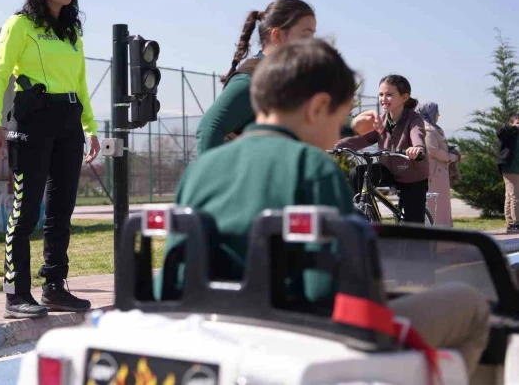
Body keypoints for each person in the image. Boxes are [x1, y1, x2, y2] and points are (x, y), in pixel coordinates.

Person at [161, 39, 489, 379]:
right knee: (470, 305)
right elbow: (337, 287)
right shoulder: (314, 169)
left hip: (222, 331)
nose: (337, 133)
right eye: (339, 119)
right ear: (318, 107)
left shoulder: (201, 170)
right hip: (306, 335)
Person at [0, 0, 100, 319]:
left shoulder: (72, 32)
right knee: (25, 211)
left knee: (61, 211)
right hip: (32, 120)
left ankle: (54, 287)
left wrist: (91, 126)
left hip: (68, 122)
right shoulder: (20, 24)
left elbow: (81, 82)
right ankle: (16, 294)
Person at [195, 0, 379, 155]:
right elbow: (210, 127)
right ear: (277, 36)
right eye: (306, 35)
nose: (311, 43)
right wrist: (212, 182)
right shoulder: (251, 80)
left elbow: (314, 121)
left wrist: (353, 125)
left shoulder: (292, 80)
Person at [337, 74, 431, 224]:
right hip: (388, 170)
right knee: (358, 173)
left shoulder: (414, 119)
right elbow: (363, 139)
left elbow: (417, 136)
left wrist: (417, 149)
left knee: (413, 224)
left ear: (404, 97)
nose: (383, 99)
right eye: (381, 94)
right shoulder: (380, 120)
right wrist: (336, 145)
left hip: (412, 175)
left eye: (389, 95)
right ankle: (363, 211)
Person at [417, 102, 460, 227]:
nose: (438, 115)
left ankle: (444, 228)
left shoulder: (433, 127)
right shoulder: (427, 129)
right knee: (435, 203)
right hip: (434, 173)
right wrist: (452, 157)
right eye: (436, 112)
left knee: (442, 203)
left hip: (439, 172)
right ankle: (437, 229)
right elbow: (433, 150)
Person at [497, 114, 519, 232]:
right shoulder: (509, 134)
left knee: (510, 196)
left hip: (516, 169)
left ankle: (510, 222)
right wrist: (514, 127)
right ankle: (516, 223)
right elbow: (500, 133)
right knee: (515, 196)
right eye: (517, 122)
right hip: (510, 168)